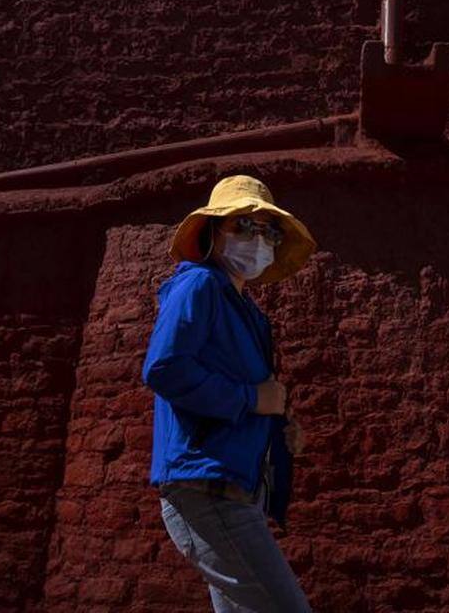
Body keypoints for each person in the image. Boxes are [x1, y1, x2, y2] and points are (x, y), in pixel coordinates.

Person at [142, 174, 316, 613]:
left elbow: (242, 393)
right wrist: (251, 400)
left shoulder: (248, 314)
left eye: (269, 231)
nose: (257, 239)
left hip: (236, 490)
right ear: (213, 233)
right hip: (207, 486)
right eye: (242, 226)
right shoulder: (199, 284)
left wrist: (276, 425)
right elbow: (166, 367)